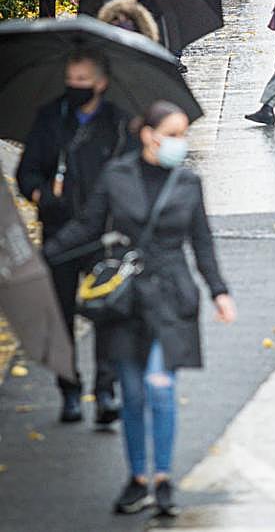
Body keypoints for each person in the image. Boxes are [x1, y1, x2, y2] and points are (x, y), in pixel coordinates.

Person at [42, 100, 236, 515]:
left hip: (172, 296)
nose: (180, 143)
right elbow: (87, 227)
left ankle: (163, 478)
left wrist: (219, 291)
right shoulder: (117, 176)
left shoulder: (188, 183)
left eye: (184, 134)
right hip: (125, 298)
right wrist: (45, 257)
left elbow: (202, 242)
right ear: (148, 134)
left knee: (158, 385)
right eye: (173, 134)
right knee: (131, 394)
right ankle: (138, 479)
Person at [17, 51, 136, 425]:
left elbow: (132, 175)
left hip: (103, 235)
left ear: (101, 83)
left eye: (83, 80)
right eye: (71, 79)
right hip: (59, 232)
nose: (75, 87)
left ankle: (105, 390)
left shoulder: (119, 125)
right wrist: (43, 196)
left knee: (107, 313)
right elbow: (27, 172)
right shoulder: (51, 118)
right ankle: (69, 390)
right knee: (60, 314)